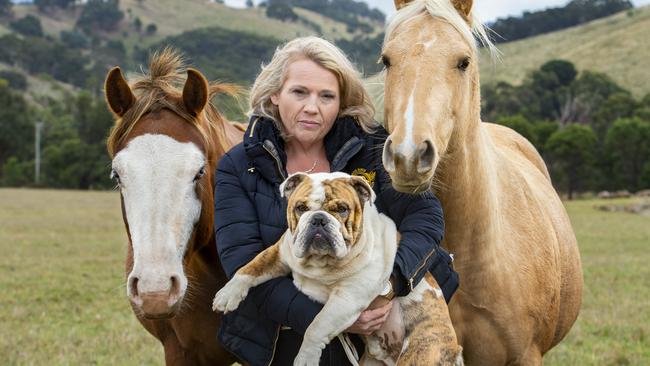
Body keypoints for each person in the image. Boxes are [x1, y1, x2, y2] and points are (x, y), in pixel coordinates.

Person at [213, 36, 458, 366]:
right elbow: (240, 259)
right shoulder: (238, 165)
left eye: (326, 96)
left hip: (391, 320)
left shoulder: (372, 148)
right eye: (299, 92)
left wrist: (388, 285)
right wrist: (337, 318)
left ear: (341, 102)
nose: (312, 107)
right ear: (274, 94)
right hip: (287, 334)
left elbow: (424, 217)